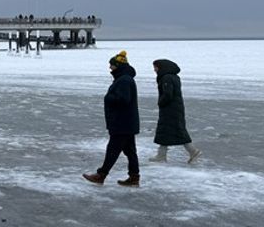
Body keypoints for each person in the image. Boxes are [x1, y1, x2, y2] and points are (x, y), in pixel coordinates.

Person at [84, 51, 140, 187]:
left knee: (113, 150)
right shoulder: (124, 78)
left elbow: (124, 100)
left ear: (118, 66)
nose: (110, 68)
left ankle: (101, 175)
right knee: (130, 151)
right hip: (127, 123)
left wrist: (108, 98)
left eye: (111, 65)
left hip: (122, 123)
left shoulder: (124, 80)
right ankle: (134, 177)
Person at [148, 59, 202, 163]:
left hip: (170, 110)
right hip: (175, 108)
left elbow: (168, 94)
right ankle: (161, 155)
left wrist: (161, 102)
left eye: (155, 67)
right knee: (167, 131)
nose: (154, 69)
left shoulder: (166, 77)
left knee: (177, 131)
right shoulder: (174, 77)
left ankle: (193, 151)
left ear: (161, 67)